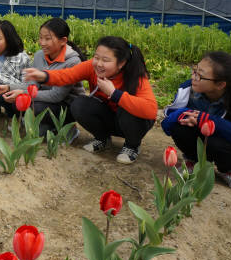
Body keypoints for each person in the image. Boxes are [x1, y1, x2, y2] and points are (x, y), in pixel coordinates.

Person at [23, 36, 157, 164]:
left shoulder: (135, 77)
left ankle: (132, 146)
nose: (98, 63)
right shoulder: (92, 68)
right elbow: (68, 75)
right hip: (109, 117)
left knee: (129, 107)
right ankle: (102, 138)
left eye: (106, 60)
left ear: (121, 63)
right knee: (80, 104)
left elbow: (151, 110)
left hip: (130, 122)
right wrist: (44, 76)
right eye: (96, 57)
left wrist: (114, 94)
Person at [161, 52, 231, 193]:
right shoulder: (188, 90)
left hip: (228, 148)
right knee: (179, 126)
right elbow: (166, 127)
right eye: (195, 70)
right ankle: (193, 160)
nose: (193, 77)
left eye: (199, 75)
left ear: (220, 84)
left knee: (214, 139)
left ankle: (230, 170)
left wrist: (209, 120)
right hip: (200, 139)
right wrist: (181, 114)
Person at [0, 17, 85, 137]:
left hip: (66, 106)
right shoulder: (40, 55)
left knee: (34, 107)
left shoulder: (72, 62)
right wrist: (8, 87)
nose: (42, 42)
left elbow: (57, 95)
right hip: (45, 101)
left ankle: (69, 128)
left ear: (63, 41)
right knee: (16, 102)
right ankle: (45, 126)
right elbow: (32, 85)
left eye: (47, 39)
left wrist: (24, 94)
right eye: (40, 37)